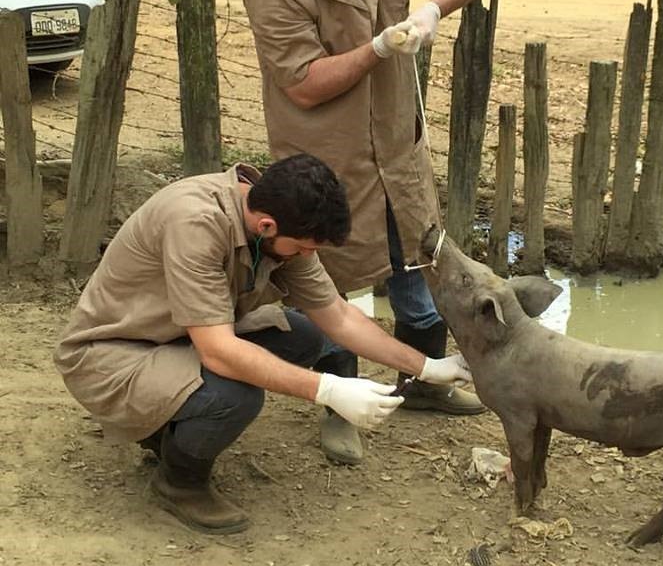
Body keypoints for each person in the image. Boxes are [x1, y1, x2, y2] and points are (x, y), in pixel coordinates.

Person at [53, 155, 473, 535]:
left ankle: (165, 427)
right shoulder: (195, 223)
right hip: (113, 356)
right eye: (305, 248)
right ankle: (179, 481)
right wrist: (326, 389)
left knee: (304, 335)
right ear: (267, 226)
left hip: (177, 338)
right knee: (234, 394)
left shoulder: (282, 221)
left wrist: (427, 366)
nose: (306, 255)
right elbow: (219, 352)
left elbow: (338, 317)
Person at [243, 0, 491, 466]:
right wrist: (378, 48)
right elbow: (303, 84)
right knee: (333, 278)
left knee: (415, 259)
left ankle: (423, 381)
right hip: (327, 156)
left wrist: (435, 9)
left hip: (395, 141)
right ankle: (340, 403)